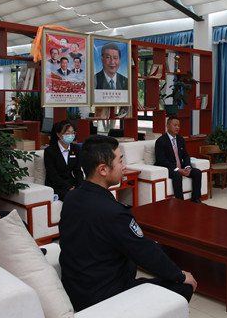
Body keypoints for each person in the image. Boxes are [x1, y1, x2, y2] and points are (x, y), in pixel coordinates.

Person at [59, 135, 197, 311]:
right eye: (120, 161)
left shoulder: (72, 197)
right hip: (105, 295)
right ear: (103, 169)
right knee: (183, 287)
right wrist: (180, 275)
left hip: (76, 289)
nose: (124, 166)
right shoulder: (114, 212)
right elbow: (145, 252)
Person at [155, 116, 203, 203]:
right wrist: (178, 169)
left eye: (179, 125)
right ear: (168, 126)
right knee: (177, 175)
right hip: (168, 168)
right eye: (175, 125)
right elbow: (161, 160)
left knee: (197, 172)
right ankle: (180, 202)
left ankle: (195, 199)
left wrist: (187, 167)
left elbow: (185, 155)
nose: (177, 127)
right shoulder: (161, 141)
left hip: (181, 167)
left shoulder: (180, 139)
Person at [44, 121, 83, 201]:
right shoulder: (50, 151)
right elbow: (52, 174)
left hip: (71, 182)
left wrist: (80, 186)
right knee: (74, 198)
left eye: (72, 132)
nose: (71, 135)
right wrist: (69, 187)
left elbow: (78, 171)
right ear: (59, 134)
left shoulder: (76, 149)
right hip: (56, 185)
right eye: (67, 133)